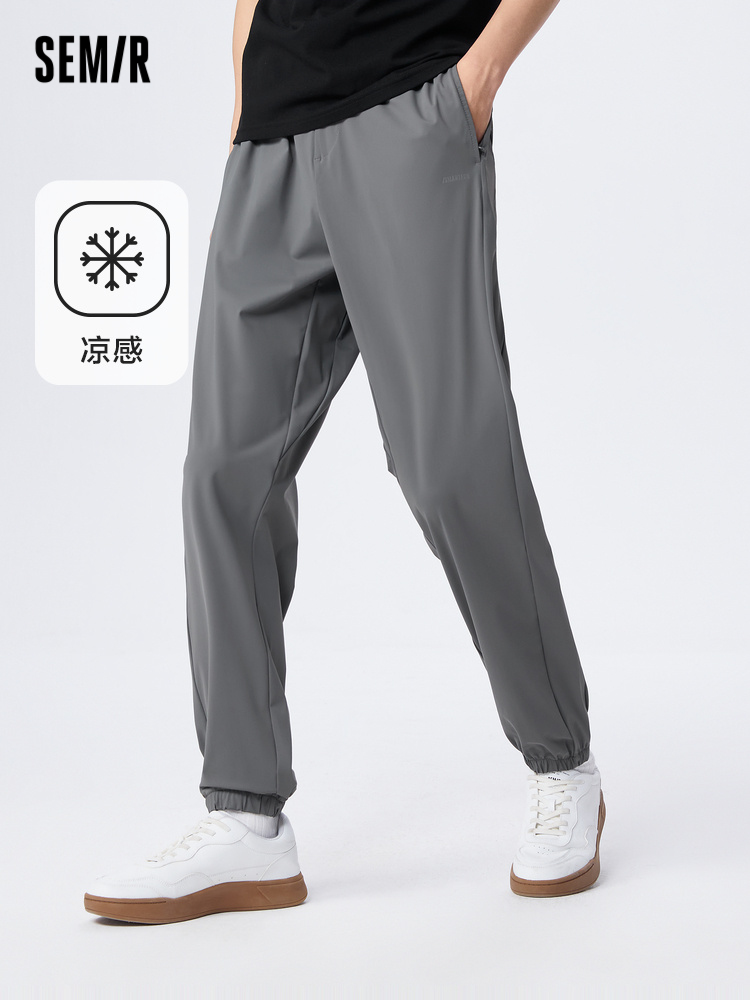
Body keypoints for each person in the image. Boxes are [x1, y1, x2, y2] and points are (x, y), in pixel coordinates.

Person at [84, 0, 606, 924]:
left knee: (451, 460)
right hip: (271, 137)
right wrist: (245, 97)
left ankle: (563, 760)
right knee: (224, 475)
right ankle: (246, 813)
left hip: (412, 106)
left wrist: (477, 80)